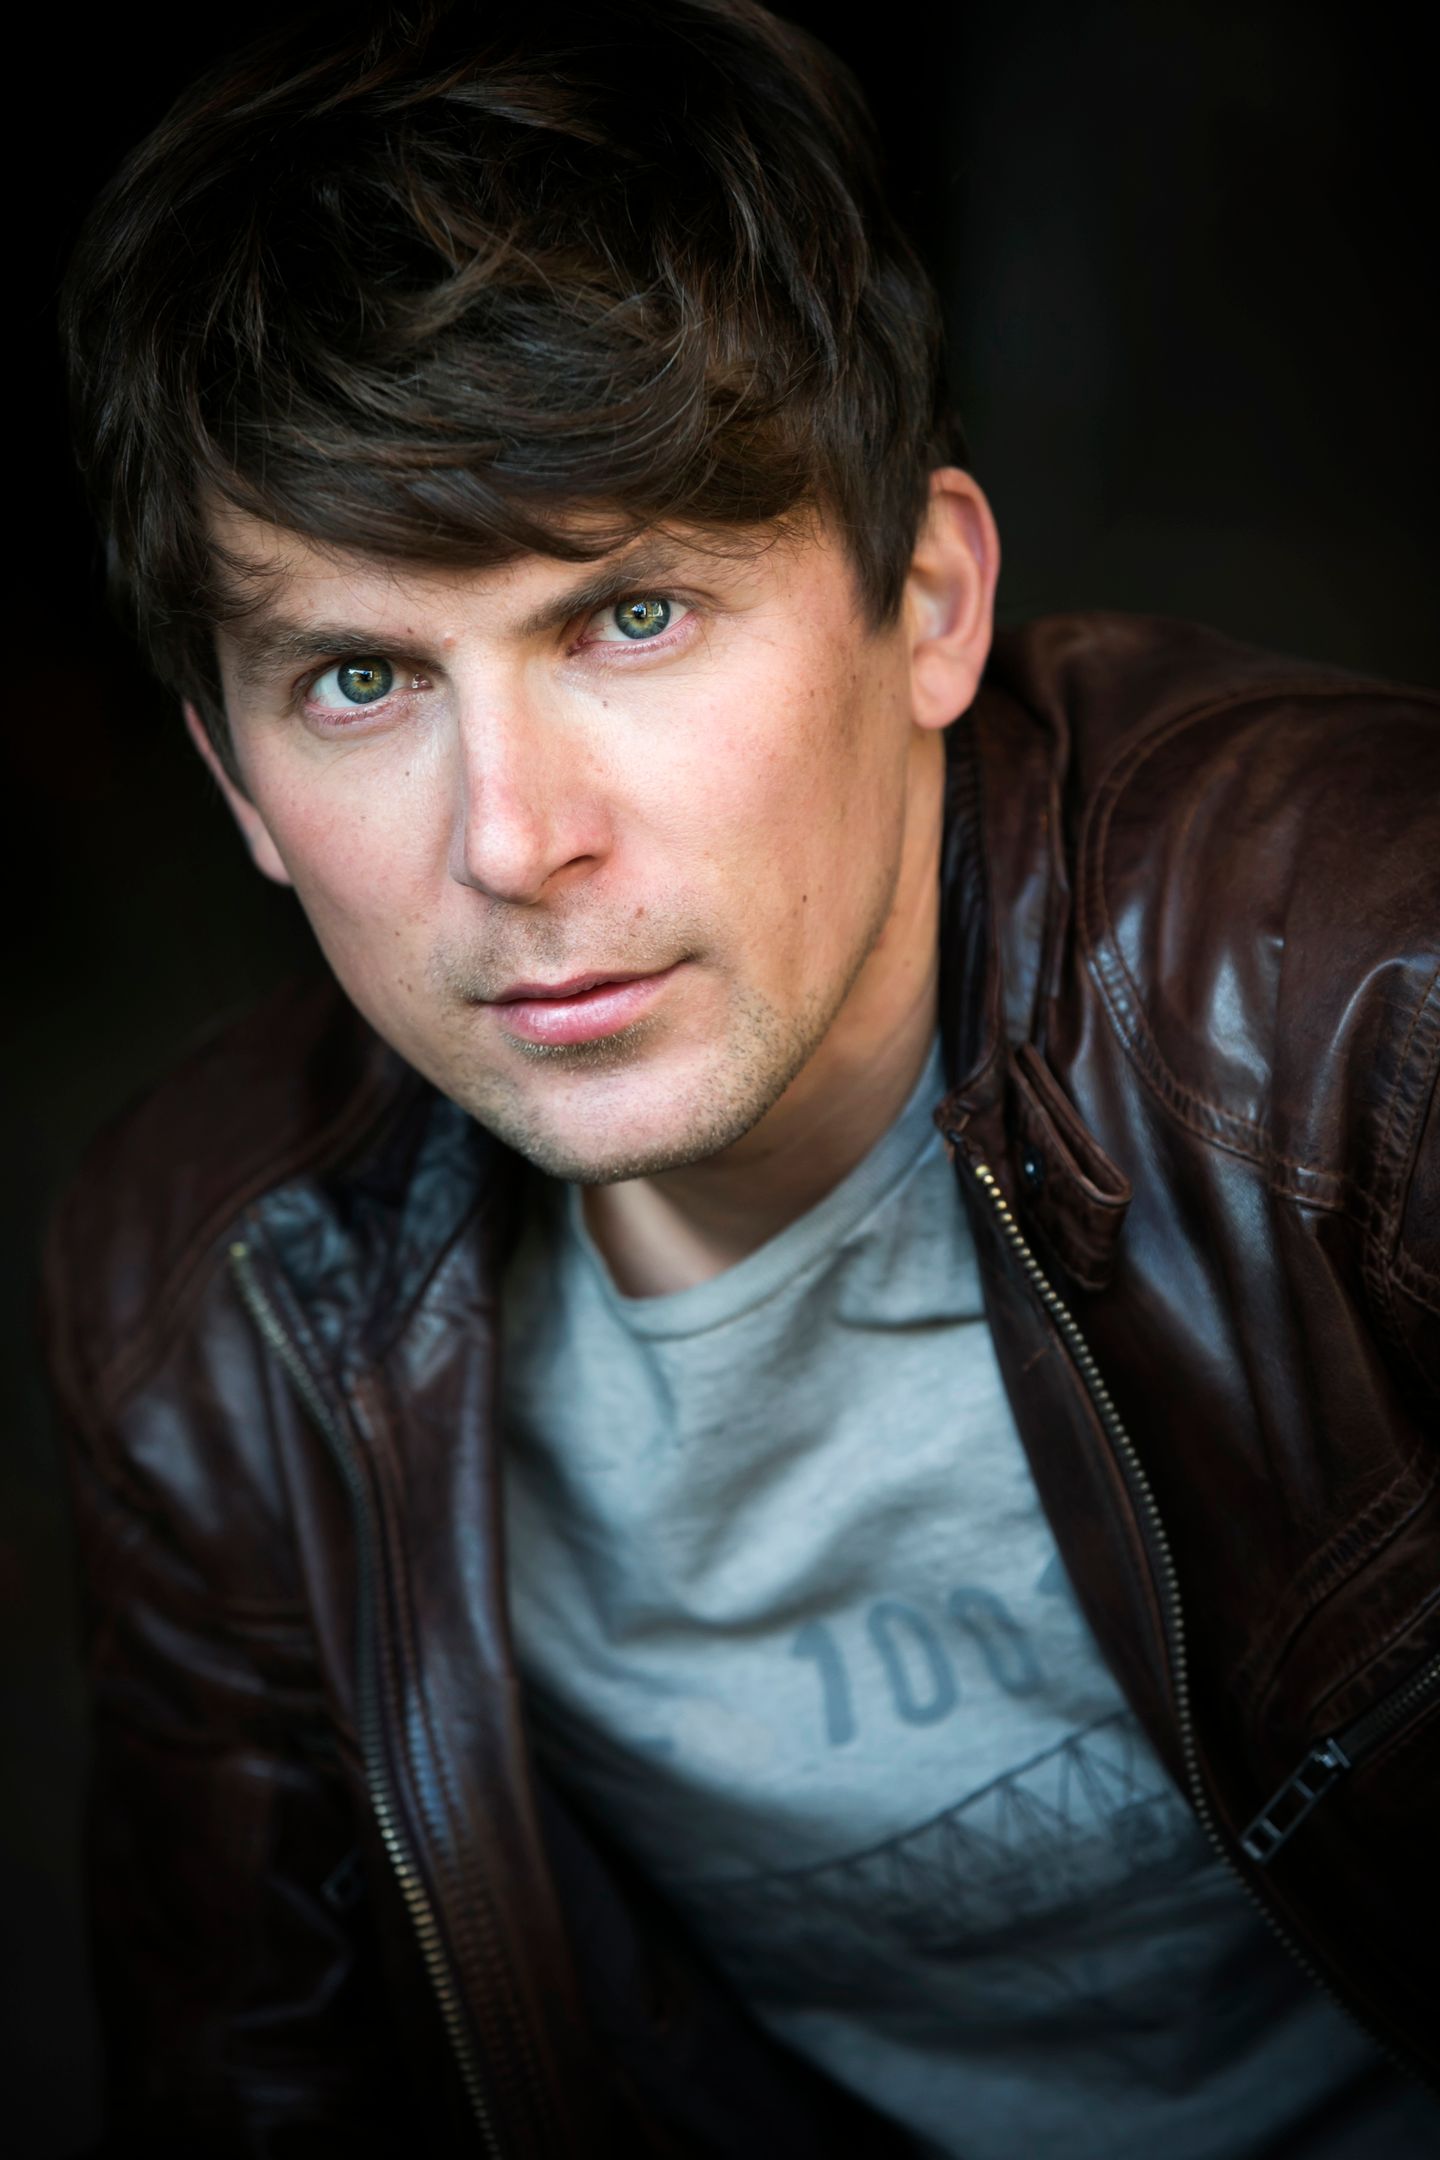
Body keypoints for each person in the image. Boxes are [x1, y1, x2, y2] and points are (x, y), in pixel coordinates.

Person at [43, 0, 1439, 2154]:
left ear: (929, 602)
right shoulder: (206, 1319)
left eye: (631, 617)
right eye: (360, 677)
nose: (514, 841)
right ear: (236, 782)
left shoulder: (1367, 1002)